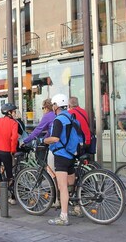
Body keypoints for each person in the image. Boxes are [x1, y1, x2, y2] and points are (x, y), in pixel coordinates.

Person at [44, 93, 77, 226]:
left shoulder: (58, 119)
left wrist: (44, 140)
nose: (52, 107)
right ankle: (78, 205)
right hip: (72, 154)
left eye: (53, 105)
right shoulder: (71, 117)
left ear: (56, 106)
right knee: (71, 183)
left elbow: (56, 138)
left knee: (62, 187)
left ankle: (64, 217)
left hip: (62, 155)